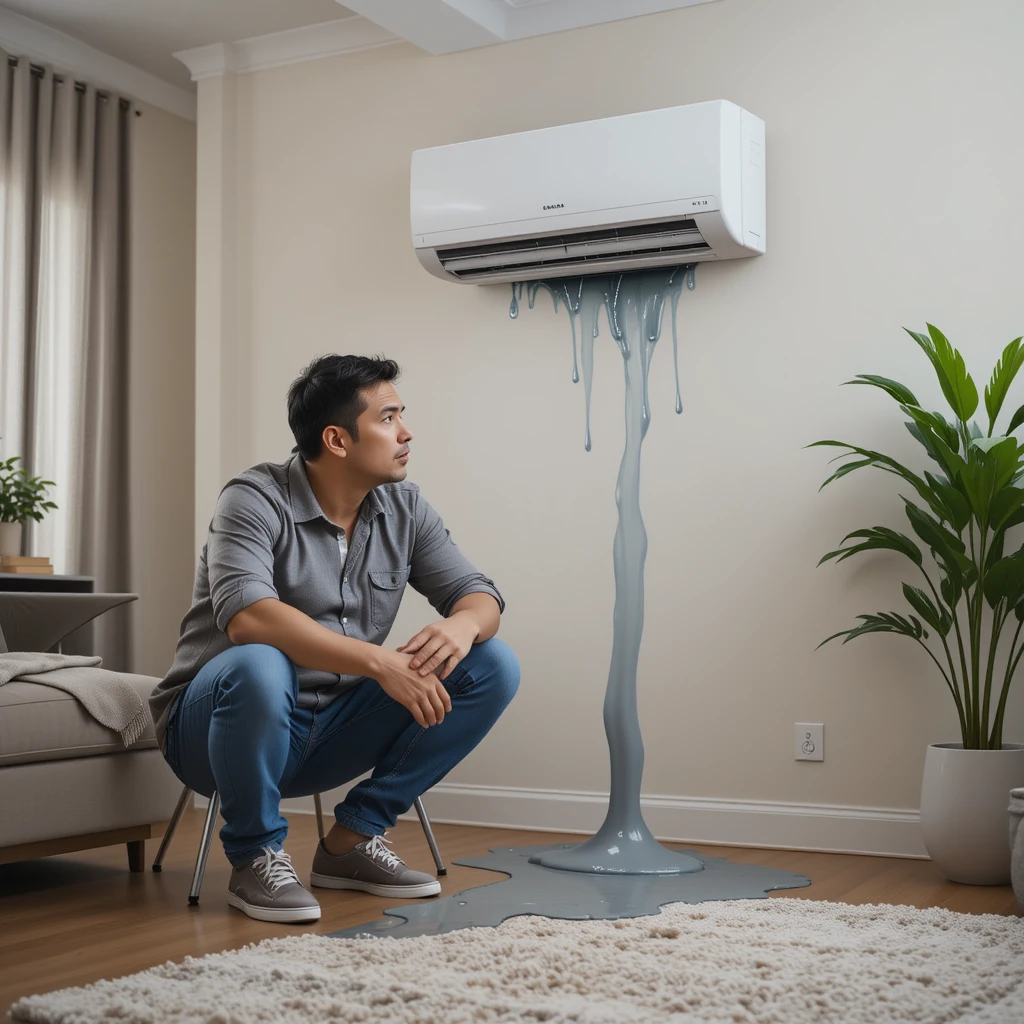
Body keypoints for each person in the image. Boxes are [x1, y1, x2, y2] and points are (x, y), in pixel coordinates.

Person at [148, 354, 520, 923]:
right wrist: (379, 663)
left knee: (492, 663)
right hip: (216, 732)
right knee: (259, 663)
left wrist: (461, 624)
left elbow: (479, 595)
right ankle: (255, 858)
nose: (406, 431)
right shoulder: (252, 498)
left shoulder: (405, 507)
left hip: (332, 729)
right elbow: (248, 616)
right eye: (389, 417)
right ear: (337, 440)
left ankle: (350, 843)